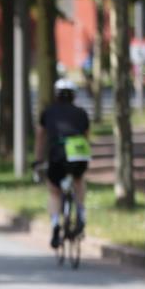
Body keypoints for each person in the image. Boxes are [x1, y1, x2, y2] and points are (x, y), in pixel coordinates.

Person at [33, 78, 91, 249]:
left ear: (56, 95)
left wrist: (38, 159)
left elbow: (40, 137)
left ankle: (56, 223)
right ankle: (80, 212)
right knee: (79, 180)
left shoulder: (48, 112)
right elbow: (87, 137)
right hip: (78, 153)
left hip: (58, 153)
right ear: (74, 95)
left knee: (54, 190)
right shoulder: (81, 113)